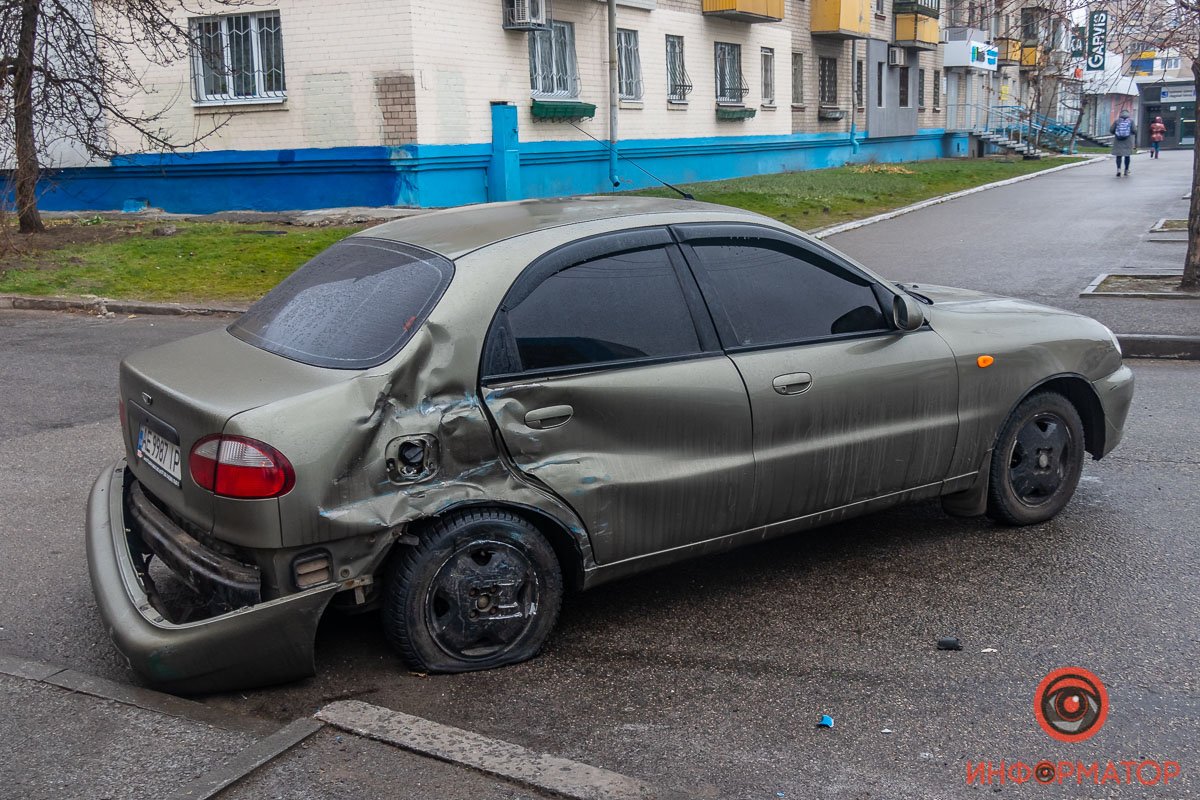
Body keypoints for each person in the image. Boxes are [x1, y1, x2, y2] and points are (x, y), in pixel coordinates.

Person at [1111, 110, 1137, 177]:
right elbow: (1134, 130)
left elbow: (1111, 130)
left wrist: (1117, 133)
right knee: (1127, 156)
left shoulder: (1117, 121)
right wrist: (1131, 133)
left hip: (1118, 141)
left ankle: (1119, 169)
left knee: (1118, 156)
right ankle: (1126, 170)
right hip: (1128, 141)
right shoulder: (1131, 121)